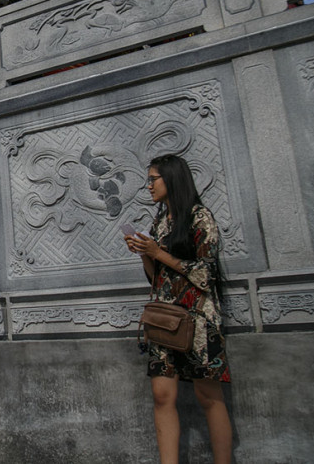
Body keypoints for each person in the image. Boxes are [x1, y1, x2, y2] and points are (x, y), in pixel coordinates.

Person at [124, 154, 232, 464]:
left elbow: (206, 274)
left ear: (171, 179)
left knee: (209, 397)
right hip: (163, 318)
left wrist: (160, 252)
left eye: (152, 179)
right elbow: (156, 278)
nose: (148, 186)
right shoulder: (159, 223)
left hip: (199, 320)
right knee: (161, 395)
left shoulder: (200, 218)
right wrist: (144, 253)